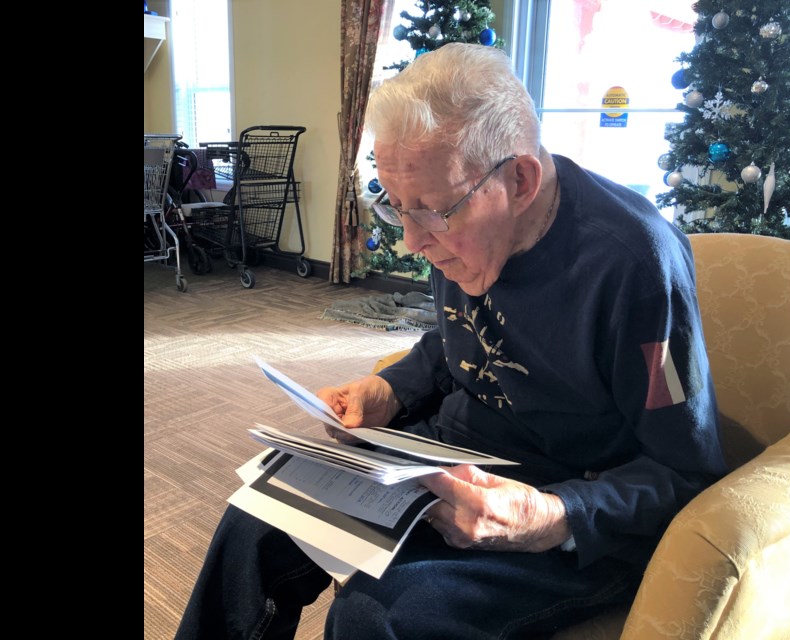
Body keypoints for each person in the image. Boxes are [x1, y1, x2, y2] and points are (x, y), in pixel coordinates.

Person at [175, 43, 727, 639]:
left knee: (376, 614)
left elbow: (684, 470)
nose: (413, 242)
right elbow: (458, 338)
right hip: (449, 456)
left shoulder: (635, 266)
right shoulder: (453, 214)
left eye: (434, 212)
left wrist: (548, 515)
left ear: (519, 179)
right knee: (254, 521)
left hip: (567, 499)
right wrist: (391, 388)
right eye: (398, 208)